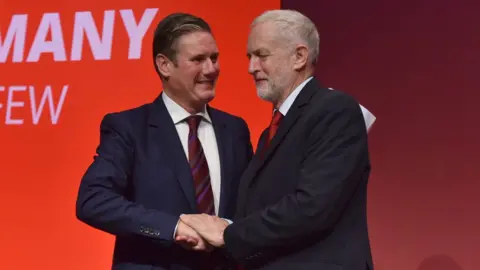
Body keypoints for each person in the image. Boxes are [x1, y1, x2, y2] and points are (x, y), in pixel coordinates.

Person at [179, 9, 375, 270]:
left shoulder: (335, 109)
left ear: (299, 57)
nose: (251, 67)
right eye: (250, 57)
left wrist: (228, 234)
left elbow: (312, 207)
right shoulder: (270, 132)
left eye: (261, 55)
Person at [75, 12, 253, 270]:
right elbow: (93, 201)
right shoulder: (129, 128)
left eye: (214, 58)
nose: (211, 69)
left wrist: (232, 230)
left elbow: (251, 207)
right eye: (198, 59)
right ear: (164, 65)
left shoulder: (235, 129)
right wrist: (174, 227)